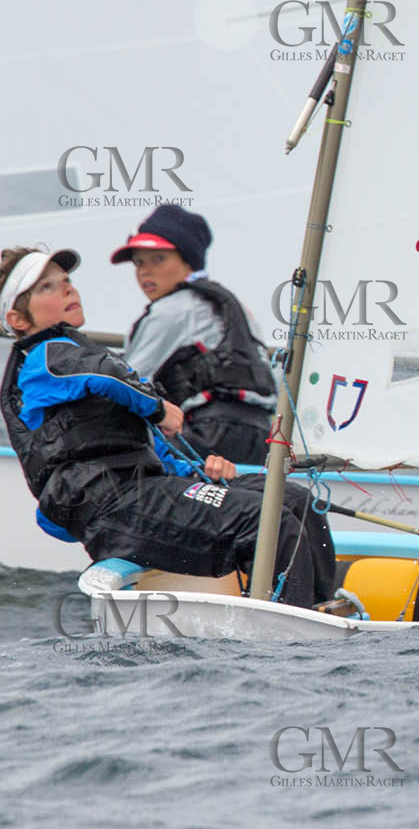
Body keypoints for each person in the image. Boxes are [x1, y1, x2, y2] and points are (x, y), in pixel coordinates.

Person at [0, 246, 335, 609]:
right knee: (265, 521)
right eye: (47, 287)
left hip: (144, 491)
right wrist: (159, 408)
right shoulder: (45, 358)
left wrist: (200, 475)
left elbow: (144, 443)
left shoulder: (74, 356)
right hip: (115, 508)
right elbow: (105, 375)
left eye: (66, 280)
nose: (68, 288)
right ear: (18, 319)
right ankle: (290, 626)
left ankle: (319, 609)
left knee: (295, 500)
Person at [112, 204, 277, 464]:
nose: (145, 271)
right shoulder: (236, 308)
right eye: (139, 262)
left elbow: (125, 381)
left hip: (208, 435)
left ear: (188, 260)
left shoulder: (171, 310)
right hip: (261, 437)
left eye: (158, 259)